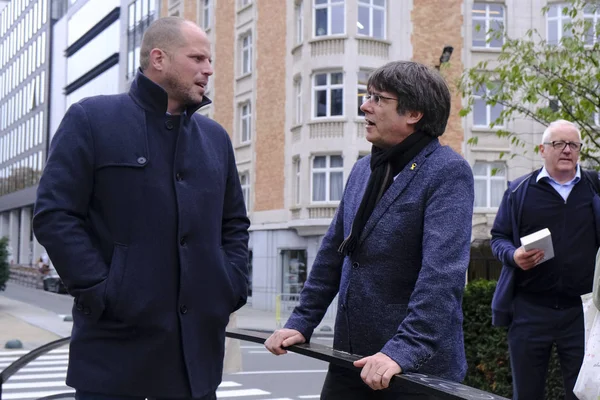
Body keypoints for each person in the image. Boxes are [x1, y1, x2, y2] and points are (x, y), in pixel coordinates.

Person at [32, 17, 250, 400]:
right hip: (113, 360)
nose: (209, 69)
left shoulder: (215, 139)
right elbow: (55, 214)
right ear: (158, 58)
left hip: (194, 366)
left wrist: (230, 285)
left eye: (210, 60)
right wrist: (103, 289)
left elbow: (234, 224)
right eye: (197, 57)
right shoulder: (92, 119)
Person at [264, 61, 475, 399]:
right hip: (350, 361)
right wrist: (300, 321)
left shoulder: (448, 172)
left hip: (414, 371)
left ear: (414, 113)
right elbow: (334, 252)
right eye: (367, 95)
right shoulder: (364, 169)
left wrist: (403, 349)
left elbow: (442, 275)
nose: (364, 105)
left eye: (378, 98)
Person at [491, 119, 599, 400]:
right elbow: (498, 238)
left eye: (573, 144)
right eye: (558, 144)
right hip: (530, 310)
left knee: (584, 394)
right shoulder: (519, 190)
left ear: (579, 150)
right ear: (542, 149)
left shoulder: (595, 187)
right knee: (526, 394)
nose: (566, 150)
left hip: (582, 312)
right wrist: (513, 256)